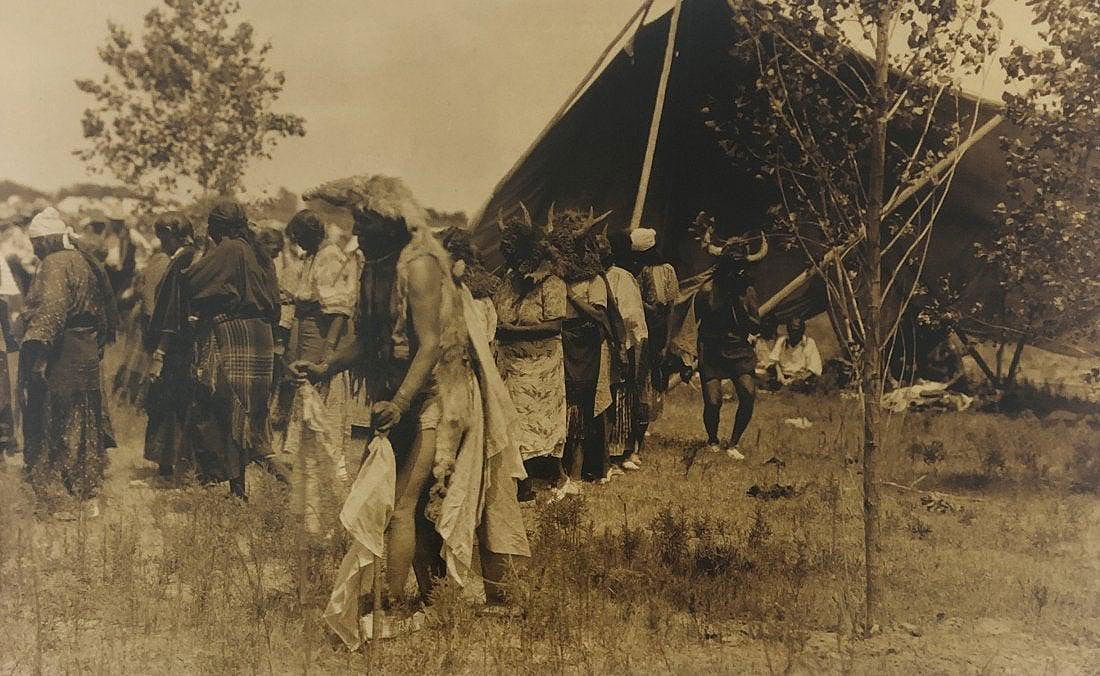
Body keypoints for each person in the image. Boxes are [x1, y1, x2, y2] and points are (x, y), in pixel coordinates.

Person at [292, 177, 528, 644]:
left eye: (364, 221)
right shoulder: (374, 266)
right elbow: (367, 337)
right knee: (406, 507)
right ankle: (432, 595)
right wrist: (324, 366)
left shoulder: (418, 267)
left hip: (439, 397)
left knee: (402, 506)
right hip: (400, 399)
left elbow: (430, 345)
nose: (357, 230)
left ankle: (393, 611)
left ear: (389, 223)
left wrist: (400, 402)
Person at [19, 207, 118, 518]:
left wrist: (40, 358)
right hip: (84, 351)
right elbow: (103, 315)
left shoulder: (55, 264)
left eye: (35, 243)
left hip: (63, 353)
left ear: (46, 241)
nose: (34, 250)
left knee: (60, 422)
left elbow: (52, 310)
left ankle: (64, 499)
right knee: (84, 422)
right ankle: (87, 495)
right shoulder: (82, 261)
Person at [183, 200, 279, 499]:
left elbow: (191, 281)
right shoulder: (256, 251)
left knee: (231, 414)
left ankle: (274, 483)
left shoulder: (229, 249)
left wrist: (203, 251)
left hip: (235, 333)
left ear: (217, 227)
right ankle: (240, 491)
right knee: (250, 416)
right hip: (260, 334)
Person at [281, 209, 355, 536]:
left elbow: (338, 312)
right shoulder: (313, 257)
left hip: (319, 347)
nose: (297, 246)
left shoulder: (330, 258)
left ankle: (332, 517)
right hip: (305, 344)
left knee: (324, 430)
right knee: (307, 436)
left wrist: (327, 355)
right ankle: (310, 516)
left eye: (299, 239)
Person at [492, 215, 570, 499]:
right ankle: (520, 481)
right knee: (511, 419)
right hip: (509, 364)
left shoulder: (552, 283)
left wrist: (513, 331)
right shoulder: (509, 280)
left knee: (535, 422)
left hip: (540, 367)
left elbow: (555, 325)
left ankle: (545, 477)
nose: (510, 262)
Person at [553, 212, 615, 486]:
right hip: (563, 343)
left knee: (585, 407)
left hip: (587, 348)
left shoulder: (594, 281)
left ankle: (582, 471)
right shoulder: (556, 277)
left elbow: (600, 315)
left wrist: (572, 296)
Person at [695, 235, 768, 459]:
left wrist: (742, 309)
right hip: (712, 349)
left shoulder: (747, 293)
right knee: (713, 400)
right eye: (730, 265)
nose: (734, 272)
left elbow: (756, 327)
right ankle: (713, 440)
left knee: (748, 393)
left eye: (739, 267)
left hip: (738, 349)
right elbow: (695, 323)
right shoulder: (707, 291)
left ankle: (734, 443)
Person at [141, 212, 199, 484]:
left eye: (163, 237)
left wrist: (160, 352)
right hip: (181, 341)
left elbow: (173, 313)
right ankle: (175, 468)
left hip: (176, 344)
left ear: (172, 234)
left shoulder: (183, 260)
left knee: (170, 403)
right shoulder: (190, 256)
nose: (161, 243)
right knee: (175, 403)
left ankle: (171, 469)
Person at [603, 231, 648, 473]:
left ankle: (621, 451)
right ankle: (612, 451)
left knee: (623, 395)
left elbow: (631, 318)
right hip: (610, 343)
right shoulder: (605, 276)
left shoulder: (621, 277)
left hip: (624, 344)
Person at [635, 227, 679, 465]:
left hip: (657, 330)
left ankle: (642, 430)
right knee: (641, 381)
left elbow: (670, 307)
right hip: (642, 329)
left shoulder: (667, 271)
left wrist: (666, 339)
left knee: (652, 381)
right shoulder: (638, 273)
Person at [767, 316, 822, 391]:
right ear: (788, 330)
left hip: (800, 377)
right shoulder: (782, 341)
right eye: (791, 330)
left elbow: (813, 368)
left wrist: (796, 379)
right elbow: (774, 360)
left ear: (802, 331)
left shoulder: (809, 343)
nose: (794, 334)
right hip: (782, 376)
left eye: (797, 331)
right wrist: (780, 376)